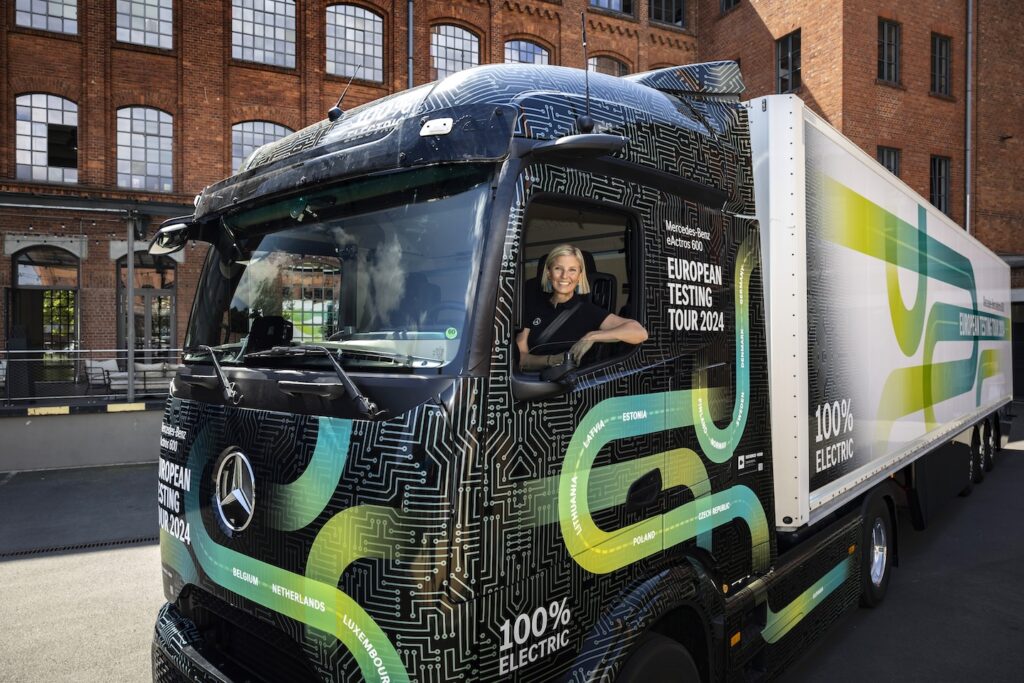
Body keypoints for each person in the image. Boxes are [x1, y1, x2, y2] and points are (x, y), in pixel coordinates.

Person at [517, 244, 647, 371]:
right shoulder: (533, 307)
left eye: (572, 270)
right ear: (548, 273)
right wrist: (553, 360)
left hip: (568, 382)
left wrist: (591, 336)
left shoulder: (588, 312)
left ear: (579, 276)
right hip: (528, 382)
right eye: (558, 268)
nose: (564, 276)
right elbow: (521, 359)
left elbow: (639, 332)